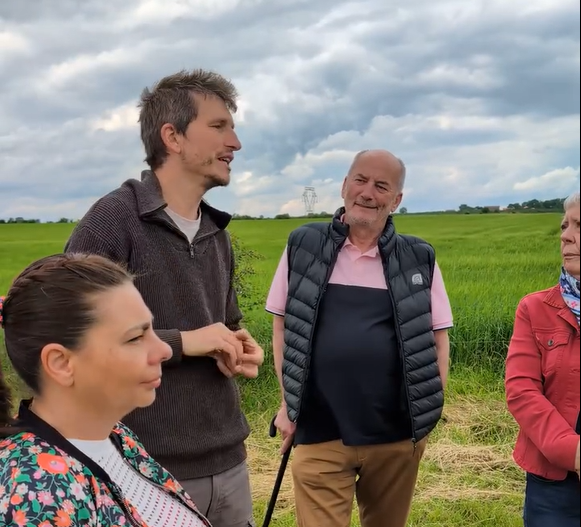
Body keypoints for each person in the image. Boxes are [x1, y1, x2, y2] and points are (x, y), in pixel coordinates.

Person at [64, 69, 263, 527]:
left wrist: (238, 346)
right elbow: (74, 337)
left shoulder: (217, 231)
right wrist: (186, 342)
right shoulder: (113, 221)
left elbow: (224, 323)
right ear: (171, 136)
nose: (235, 142)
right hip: (143, 465)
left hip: (229, 459)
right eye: (219, 127)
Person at [266, 149, 453, 527]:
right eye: (360, 180)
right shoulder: (303, 245)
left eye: (381, 186)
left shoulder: (418, 258)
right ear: (344, 186)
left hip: (396, 437)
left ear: (396, 200)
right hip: (318, 431)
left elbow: (437, 341)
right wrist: (289, 406)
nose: (367, 192)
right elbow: (284, 327)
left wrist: (424, 421)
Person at [0, 253, 212, 526]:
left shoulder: (114, 436)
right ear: (62, 363)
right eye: (136, 337)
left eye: (152, 330)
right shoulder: (37, 495)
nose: (164, 349)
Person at [505, 190, 580, 527]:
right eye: (565, 225)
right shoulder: (535, 309)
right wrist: (572, 452)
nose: (565, 235)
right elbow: (521, 391)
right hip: (555, 483)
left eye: (579, 225)